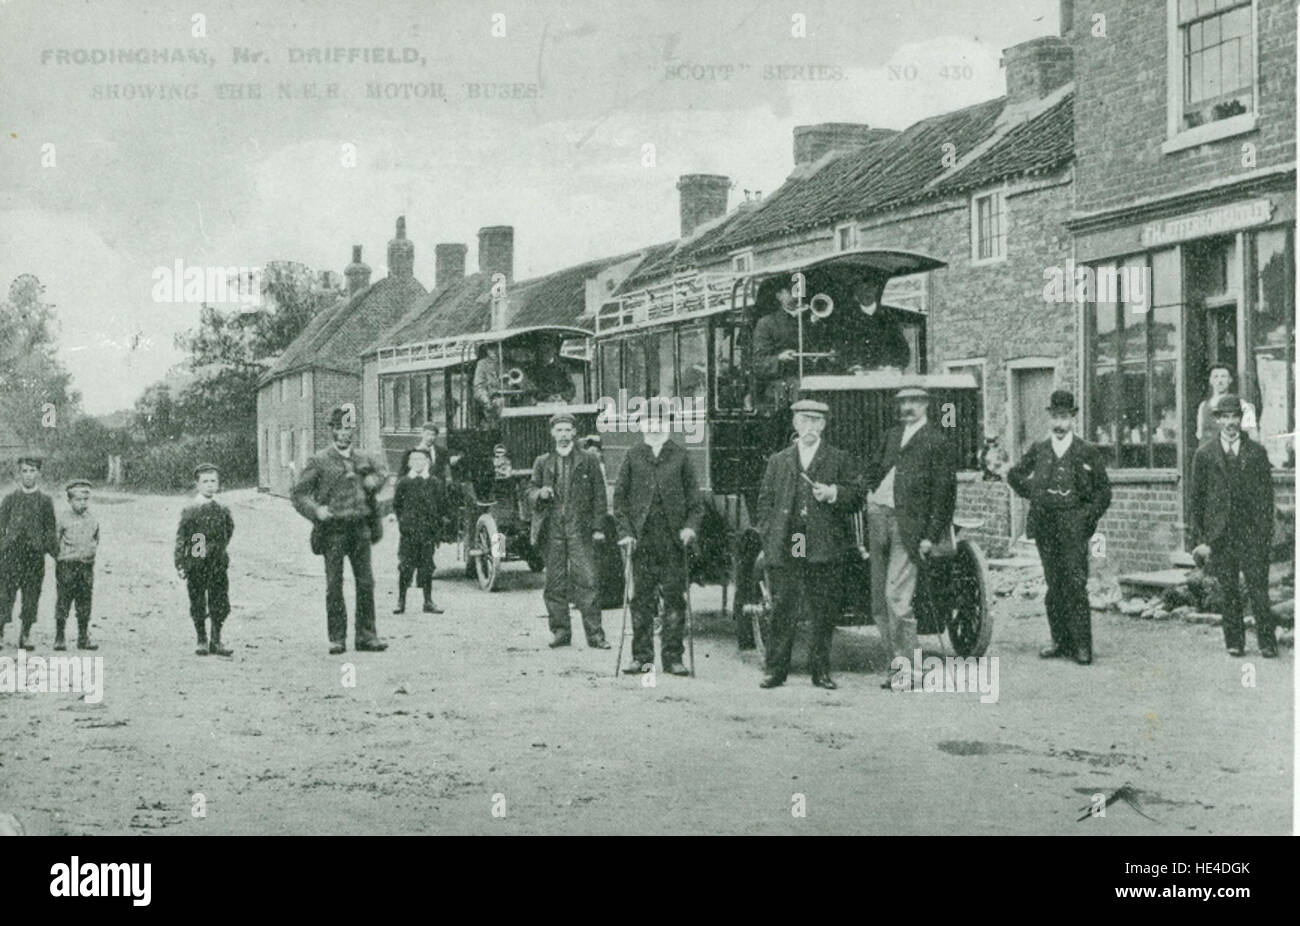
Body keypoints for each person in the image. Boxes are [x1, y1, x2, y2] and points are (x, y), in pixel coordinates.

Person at [756, 399, 863, 690]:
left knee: (823, 609)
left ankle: (821, 672)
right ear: (795, 423)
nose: (810, 427)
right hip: (795, 540)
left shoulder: (838, 458)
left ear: (824, 425)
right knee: (785, 605)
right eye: (804, 420)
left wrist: (833, 492)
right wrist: (769, 534)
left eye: (816, 421)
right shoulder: (779, 460)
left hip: (824, 543)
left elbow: (856, 496)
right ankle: (776, 670)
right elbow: (765, 502)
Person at [1007, 390, 1112, 665]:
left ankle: (1082, 646)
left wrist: (1086, 516)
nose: (1059, 423)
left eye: (1064, 417)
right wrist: (1035, 492)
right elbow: (1014, 474)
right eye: (1055, 417)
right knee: (1054, 584)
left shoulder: (1086, 451)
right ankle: (1059, 642)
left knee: (1075, 583)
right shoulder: (1039, 449)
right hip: (1046, 525)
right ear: (1049, 418)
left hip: (1074, 525)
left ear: (1072, 418)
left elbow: (1104, 492)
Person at [865, 387, 957, 689]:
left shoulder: (937, 442)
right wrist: (868, 494)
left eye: (915, 402)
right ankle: (896, 667)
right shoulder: (891, 436)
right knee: (879, 602)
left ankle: (911, 670)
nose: (908, 407)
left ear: (926, 405)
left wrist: (930, 536)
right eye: (904, 402)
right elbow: (873, 470)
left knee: (897, 597)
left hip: (910, 530)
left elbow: (944, 496)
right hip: (878, 520)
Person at [613, 409, 704, 676]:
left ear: (667, 425)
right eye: (649, 422)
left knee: (674, 599)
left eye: (659, 422)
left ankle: (673, 658)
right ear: (642, 425)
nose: (654, 427)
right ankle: (641, 658)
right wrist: (625, 532)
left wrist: (690, 528)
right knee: (641, 600)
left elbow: (696, 503)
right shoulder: (632, 456)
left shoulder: (680, 456)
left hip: (672, 542)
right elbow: (619, 501)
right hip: (641, 542)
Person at [293, 406, 389, 654]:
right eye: (341, 428)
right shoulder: (319, 460)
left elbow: (383, 473)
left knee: (366, 582)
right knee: (334, 584)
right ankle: (337, 638)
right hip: (333, 530)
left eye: (349, 428)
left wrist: (375, 482)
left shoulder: (364, 457)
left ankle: (367, 636)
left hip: (360, 528)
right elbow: (299, 494)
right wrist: (316, 511)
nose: (345, 433)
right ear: (333, 431)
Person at [1189, 394, 1277, 657]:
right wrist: (1203, 538)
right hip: (1221, 534)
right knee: (1228, 591)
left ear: (1241, 419)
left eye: (1234, 416)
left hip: (1251, 534)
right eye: (1225, 417)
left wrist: (1264, 533)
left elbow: (1266, 498)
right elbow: (1197, 500)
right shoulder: (1205, 454)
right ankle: (1235, 642)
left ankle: (1267, 643)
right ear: (1217, 420)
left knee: (1258, 589)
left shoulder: (1257, 452)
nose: (1230, 422)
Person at [528, 411, 611, 649]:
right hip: (552, 530)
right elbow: (529, 491)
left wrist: (598, 527)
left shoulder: (588, 460)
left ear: (574, 433)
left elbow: (600, 495)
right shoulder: (543, 462)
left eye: (567, 430)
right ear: (552, 433)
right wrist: (540, 494)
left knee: (588, 582)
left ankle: (595, 635)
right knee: (554, 583)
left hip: (580, 530)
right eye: (559, 430)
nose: (564, 434)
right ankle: (561, 632)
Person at [174, 463, 235, 657]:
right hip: (197, 562)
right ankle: (201, 639)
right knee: (198, 600)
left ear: (218, 484)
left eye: (213, 481)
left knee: (220, 601)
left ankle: (216, 639)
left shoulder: (222, 508)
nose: (210, 485)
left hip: (217, 562)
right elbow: (183, 537)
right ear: (198, 485)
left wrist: (218, 549)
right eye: (205, 481)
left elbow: (229, 530)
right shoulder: (191, 509)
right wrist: (181, 562)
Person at [0, 455, 58, 649]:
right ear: (19, 473)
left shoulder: (45, 501)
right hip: (10, 555)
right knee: (4, 594)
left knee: (31, 594)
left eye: (32, 471)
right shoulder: (10, 499)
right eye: (24, 471)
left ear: (38, 473)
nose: (28, 475)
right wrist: (3, 546)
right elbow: (1, 525)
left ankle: (25, 634)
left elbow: (50, 529)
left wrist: (53, 550)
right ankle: (0, 631)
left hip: (34, 556)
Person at [392, 447, 445, 615]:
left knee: (427, 566)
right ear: (409, 463)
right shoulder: (404, 483)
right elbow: (397, 505)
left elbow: (441, 505)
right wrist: (404, 523)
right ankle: (401, 601)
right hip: (409, 532)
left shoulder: (434, 482)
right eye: (414, 459)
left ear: (427, 462)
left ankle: (428, 601)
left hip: (427, 532)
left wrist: (435, 528)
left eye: (421, 459)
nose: (418, 463)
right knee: (405, 566)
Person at [54, 479, 99, 651]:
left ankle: (83, 637)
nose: (83, 503)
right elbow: (55, 541)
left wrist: (89, 554)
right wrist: (63, 558)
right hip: (67, 566)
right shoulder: (63, 519)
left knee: (85, 601)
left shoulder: (92, 519)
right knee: (64, 600)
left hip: (86, 566)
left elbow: (96, 539)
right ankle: (60, 637)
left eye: (85, 499)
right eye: (78, 499)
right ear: (70, 500)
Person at [841, 279, 910, 372]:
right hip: (858, 374)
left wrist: (895, 366)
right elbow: (842, 349)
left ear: (876, 290)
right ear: (856, 293)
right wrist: (852, 365)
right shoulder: (848, 319)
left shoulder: (889, 317)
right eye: (861, 289)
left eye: (869, 289)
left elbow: (902, 348)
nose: (866, 293)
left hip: (885, 373)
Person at [751, 283, 802, 408]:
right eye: (791, 291)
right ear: (779, 296)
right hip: (781, 387)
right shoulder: (767, 323)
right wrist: (779, 358)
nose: (797, 296)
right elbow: (758, 363)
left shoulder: (810, 320)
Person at [1196, 363, 1258, 443]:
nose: (1220, 381)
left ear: (1230, 380)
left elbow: (1253, 435)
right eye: (1216, 377)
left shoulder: (1242, 404)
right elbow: (1200, 434)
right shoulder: (1203, 406)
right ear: (1210, 380)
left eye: (1223, 376)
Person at [527, 337, 576, 404]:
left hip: (561, 403)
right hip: (540, 404)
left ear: (554, 350)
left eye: (548, 350)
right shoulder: (533, 370)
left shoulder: (563, 368)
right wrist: (547, 397)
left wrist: (561, 396)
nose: (545, 353)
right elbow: (531, 389)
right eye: (542, 350)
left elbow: (571, 389)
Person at [472, 344, 505, 422]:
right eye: (491, 348)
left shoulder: (509, 363)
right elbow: (478, 388)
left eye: (496, 347)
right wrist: (486, 401)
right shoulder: (482, 364)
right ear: (487, 350)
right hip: (493, 402)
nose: (495, 351)